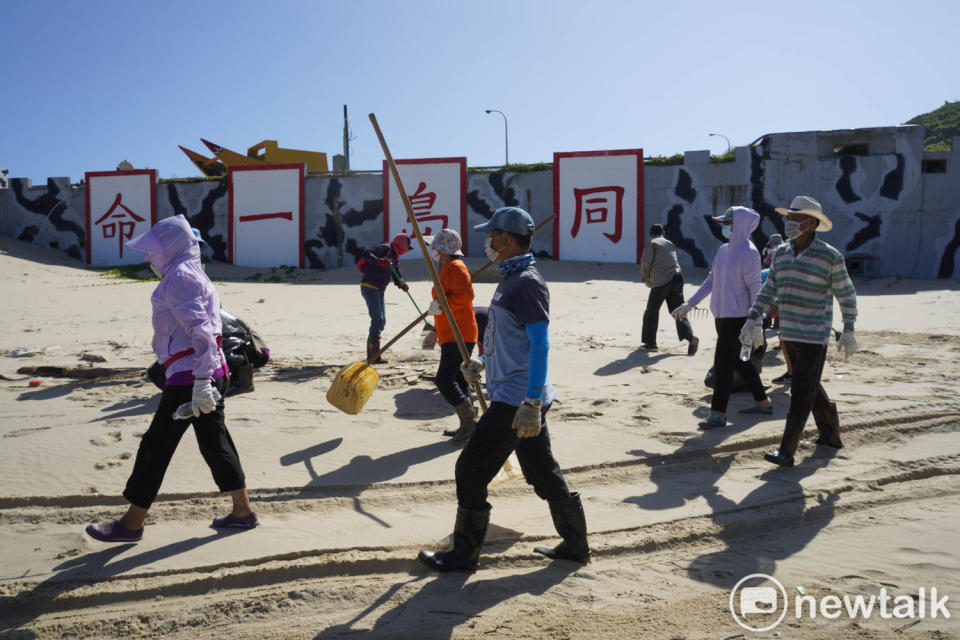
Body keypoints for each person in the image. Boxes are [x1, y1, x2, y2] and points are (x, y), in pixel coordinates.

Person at [418, 206, 590, 572]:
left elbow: (540, 344)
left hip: (517, 401)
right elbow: (507, 338)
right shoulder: (511, 279)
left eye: (493, 235)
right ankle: (576, 545)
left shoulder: (526, 282)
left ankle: (463, 555)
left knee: (470, 470)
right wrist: (483, 362)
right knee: (542, 471)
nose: (488, 241)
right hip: (518, 394)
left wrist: (530, 400)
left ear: (507, 239)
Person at [85, 214, 257, 542]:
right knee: (214, 442)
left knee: (156, 446)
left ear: (172, 248)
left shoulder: (180, 276)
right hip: (200, 372)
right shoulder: (189, 272)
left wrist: (202, 382)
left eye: (154, 251)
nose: (149, 257)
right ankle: (242, 511)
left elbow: (203, 331)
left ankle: (132, 524)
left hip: (191, 377)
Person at [745, 196, 858, 467]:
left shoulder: (830, 256)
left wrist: (849, 328)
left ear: (812, 224)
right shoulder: (781, 253)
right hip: (789, 334)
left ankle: (786, 450)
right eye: (789, 218)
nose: (789, 223)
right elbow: (768, 290)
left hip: (815, 335)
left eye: (796, 219)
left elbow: (846, 293)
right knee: (808, 385)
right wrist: (753, 318)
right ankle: (830, 435)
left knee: (800, 389)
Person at [672, 206, 772, 429]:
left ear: (741, 225)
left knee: (723, 364)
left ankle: (718, 413)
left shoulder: (750, 253)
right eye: (725, 224)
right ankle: (764, 403)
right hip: (721, 316)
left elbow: (756, 289)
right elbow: (710, 281)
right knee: (739, 361)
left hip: (739, 318)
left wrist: (756, 323)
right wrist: (690, 304)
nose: (725, 228)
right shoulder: (724, 250)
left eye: (729, 223)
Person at [422, 229, 480, 443]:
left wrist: (443, 303)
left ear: (443, 249)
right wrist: (434, 331)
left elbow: (466, 295)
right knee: (456, 377)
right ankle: (469, 424)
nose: (433, 251)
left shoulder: (455, 267)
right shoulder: (446, 268)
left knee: (444, 380)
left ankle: (469, 422)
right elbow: (446, 302)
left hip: (461, 332)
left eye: (435, 247)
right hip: (450, 333)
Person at [640, 223, 698, 355]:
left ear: (651, 234)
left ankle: (650, 343)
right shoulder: (670, 243)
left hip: (662, 281)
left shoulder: (652, 242)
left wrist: (646, 277)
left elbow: (645, 262)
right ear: (663, 233)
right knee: (678, 311)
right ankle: (690, 337)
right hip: (677, 279)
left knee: (651, 312)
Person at [358, 233, 412, 363]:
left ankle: (373, 355)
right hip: (369, 286)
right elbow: (366, 254)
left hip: (378, 289)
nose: (407, 250)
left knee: (381, 321)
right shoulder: (385, 247)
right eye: (407, 246)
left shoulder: (395, 255)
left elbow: (396, 273)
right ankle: (373, 356)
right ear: (402, 244)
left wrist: (402, 284)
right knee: (378, 320)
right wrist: (380, 262)